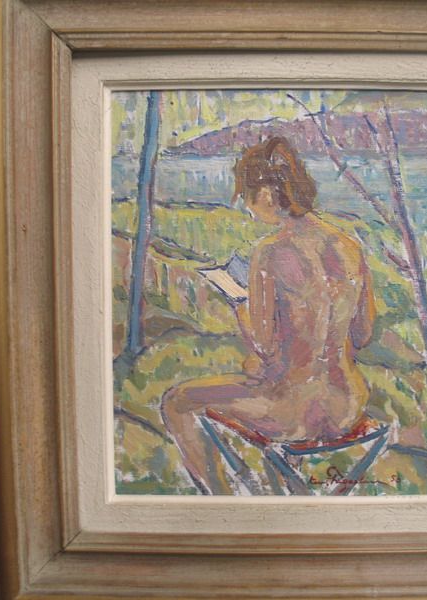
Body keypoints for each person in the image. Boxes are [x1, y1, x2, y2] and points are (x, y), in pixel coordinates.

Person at [161, 137, 375, 494]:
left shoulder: (270, 253)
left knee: (177, 401)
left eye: (247, 195)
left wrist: (239, 302)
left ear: (266, 193)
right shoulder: (350, 248)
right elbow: (363, 335)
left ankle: (221, 500)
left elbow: (264, 345)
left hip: (293, 413)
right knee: (258, 374)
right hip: (348, 405)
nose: (247, 207)